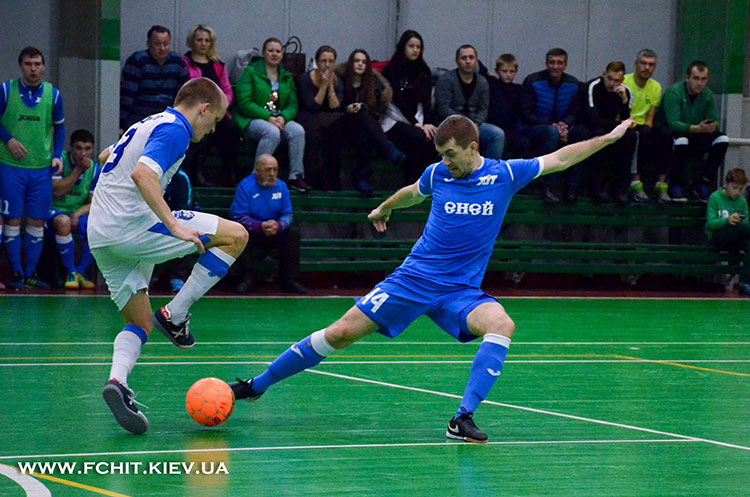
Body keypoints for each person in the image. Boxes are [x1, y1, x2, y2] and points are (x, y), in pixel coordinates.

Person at [227, 114, 633, 443]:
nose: (446, 162)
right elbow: (412, 191)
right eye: (441, 155)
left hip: (461, 291)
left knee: (501, 325)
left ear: (473, 147)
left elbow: (560, 158)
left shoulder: (505, 174)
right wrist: (385, 207)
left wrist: (609, 138)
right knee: (339, 333)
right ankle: (256, 384)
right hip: (413, 280)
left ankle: (462, 418)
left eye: (451, 154)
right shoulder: (438, 174)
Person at [92, 78, 248, 435]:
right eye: (214, 120)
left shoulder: (146, 123)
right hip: (131, 227)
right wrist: (173, 225)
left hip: (100, 233)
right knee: (237, 236)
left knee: (139, 322)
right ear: (203, 109)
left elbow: (104, 157)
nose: (212, 130)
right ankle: (175, 316)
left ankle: (117, 382)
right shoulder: (177, 129)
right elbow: (143, 173)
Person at [0, 46, 65, 289]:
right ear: (21, 66)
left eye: (37, 64)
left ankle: (30, 273)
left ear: (44, 66)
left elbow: (60, 127)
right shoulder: (6, 90)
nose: (33, 69)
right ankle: (17, 272)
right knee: (12, 220)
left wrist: (57, 156)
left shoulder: (53, 95)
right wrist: (8, 139)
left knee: (37, 222)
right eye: (28, 64)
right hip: (11, 167)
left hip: (41, 169)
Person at [232, 37, 310, 192]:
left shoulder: (286, 76)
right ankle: (257, 176)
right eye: (270, 51)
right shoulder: (250, 72)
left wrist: (283, 117)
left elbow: (293, 104)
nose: (274, 54)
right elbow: (244, 102)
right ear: (263, 53)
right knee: (272, 132)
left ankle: (296, 177)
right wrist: (268, 118)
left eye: (278, 51)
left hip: (278, 119)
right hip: (253, 118)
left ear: (282, 54)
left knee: (298, 131)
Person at [229, 154, 306, 294]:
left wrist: (279, 225)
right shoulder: (245, 186)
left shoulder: (281, 186)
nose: (272, 174)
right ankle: (246, 278)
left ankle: (289, 280)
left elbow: (288, 214)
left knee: (293, 233)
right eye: (268, 170)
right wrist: (260, 226)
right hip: (253, 232)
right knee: (240, 232)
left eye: (275, 170)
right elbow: (239, 216)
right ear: (257, 171)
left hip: (274, 231)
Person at [520, 48, 589, 204]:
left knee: (581, 133)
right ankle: (546, 186)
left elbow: (575, 112)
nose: (555, 67)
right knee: (551, 132)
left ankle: (573, 188)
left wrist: (564, 125)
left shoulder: (573, 84)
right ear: (546, 64)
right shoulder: (532, 81)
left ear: (565, 65)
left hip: (563, 127)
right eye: (552, 63)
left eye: (559, 63)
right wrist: (553, 126)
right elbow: (526, 114)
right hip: (535, 129)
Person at [655, 61, 728, 203]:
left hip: (694, 133)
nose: (699, 83)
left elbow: (714, 121)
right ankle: (675, 185)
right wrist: (697, 128)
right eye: (696, 78)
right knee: (681, 139)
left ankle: (702, 183)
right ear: (687, 78)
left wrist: (711, 127)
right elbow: (673, 123)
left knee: (722, 139)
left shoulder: (707, 94)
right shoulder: (674, 92)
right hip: (669, 136)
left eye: (703, 79)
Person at [335, 49, 405, 195]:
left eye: (363, 62)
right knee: (362, 120)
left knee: (364, 133)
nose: (360, 64)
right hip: (343, 123)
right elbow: (335, 107)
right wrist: (347, 108)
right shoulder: (341, 79)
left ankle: (362, 178)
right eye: (356, 61)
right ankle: (387, 149)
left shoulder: (373, 83)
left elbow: (377, 111)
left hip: (365, 126)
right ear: (350, 63)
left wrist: (363, 107)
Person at [180, 24, 240, 187]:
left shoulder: (218, 65)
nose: (203, 44)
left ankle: (229, 175)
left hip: (216, 112)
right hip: (195, 112)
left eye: (207, 40)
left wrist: (220, 107)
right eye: (199, 40)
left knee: (231, 131)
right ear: (192, 42)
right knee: (201, 134)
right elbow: (186, 89)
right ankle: (196, 175)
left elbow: (227, 90)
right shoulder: (185, 63)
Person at [48, 129, 100, 289]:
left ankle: (80, 272)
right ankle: (70, 271)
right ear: (71, 147)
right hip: (53, 210)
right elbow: (57, 192)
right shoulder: (59, 161)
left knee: (99, 225)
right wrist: (77, 170)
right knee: (63, 222)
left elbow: (94, 203)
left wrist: (77, 214)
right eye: (78, 148)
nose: (83, 153)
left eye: (87, 149)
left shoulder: (95, 169)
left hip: (77, 212)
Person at [435, 45, 505, 161]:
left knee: (497, 134)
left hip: (474, 124)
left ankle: (490, 170)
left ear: (476, 61)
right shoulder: (446, 79)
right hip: (450, 125)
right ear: (457, 61)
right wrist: (464, 124)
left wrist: (474, 125)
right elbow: (443, 108)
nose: (468, 61)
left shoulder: (482, 82)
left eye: (471, 58)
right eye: (464, 58)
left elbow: (483, 109)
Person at [583, 61, 637, 204]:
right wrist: (620, 125)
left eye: (617, 80)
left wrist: (624, 101)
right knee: (600, 134)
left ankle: (619, 188)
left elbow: (627, 121)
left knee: (630, 136)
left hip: (610, 127)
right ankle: (597, 187)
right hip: (590, 127)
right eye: (609, 78)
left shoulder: (624, 91)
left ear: (622, 80)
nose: (612, 84)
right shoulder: (593, 87)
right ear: (604, 74)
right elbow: (593, 119)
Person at [623, 49, 670, 203]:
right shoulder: (624, 82)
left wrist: (647, 126)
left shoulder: (656, 87)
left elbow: (650, 117)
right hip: (626, 124)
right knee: (640, 135)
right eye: (643, 63)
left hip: (644, 125)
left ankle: (661, 184)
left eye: (651, 65)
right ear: (636, 65)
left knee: (665, 134)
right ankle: (635, 182)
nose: (647, 68)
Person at [120, 25, 188, 132]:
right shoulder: (138, 61)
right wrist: (121, 124)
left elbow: (182, 95)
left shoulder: (177, 62)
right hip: (140, 116)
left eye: (166, 44)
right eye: (157, 44)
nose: (162, 48)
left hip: (167, 115)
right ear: (148, 44)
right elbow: (127, 95)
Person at [295, 45, 345, 191]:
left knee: (337, 131)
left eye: (331, 61)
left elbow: (335, 107)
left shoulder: (338, 81)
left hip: (327, 117)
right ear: (317, 62)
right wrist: (323, 86)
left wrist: (330, 87)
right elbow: (312, 106)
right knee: (314, 136)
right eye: (323, 61)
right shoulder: (305, 79)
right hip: (307, 115)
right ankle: (313, 180)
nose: (327, 65)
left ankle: (332, 180)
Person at [706, 168, 750, 296]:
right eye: (734, 188)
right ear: (726, 184)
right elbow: (710, 223)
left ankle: (745, 283)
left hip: (736, 238)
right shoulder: (715, 197)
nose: (737, 192)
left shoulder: (742, 202)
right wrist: (727, 220)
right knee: (742, 225)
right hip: (718, 236)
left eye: (740, 189)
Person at [486, 54, 526, 157]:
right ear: (497, 71)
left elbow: (522, 111)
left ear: (516, 72)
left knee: (522, 143)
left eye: (511, 71)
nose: (508, 75)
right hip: (494, 126)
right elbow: (480, 68)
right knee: (503, 143)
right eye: (504, 71)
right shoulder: (492, 84)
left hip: (511, 129)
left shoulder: (519, 89)